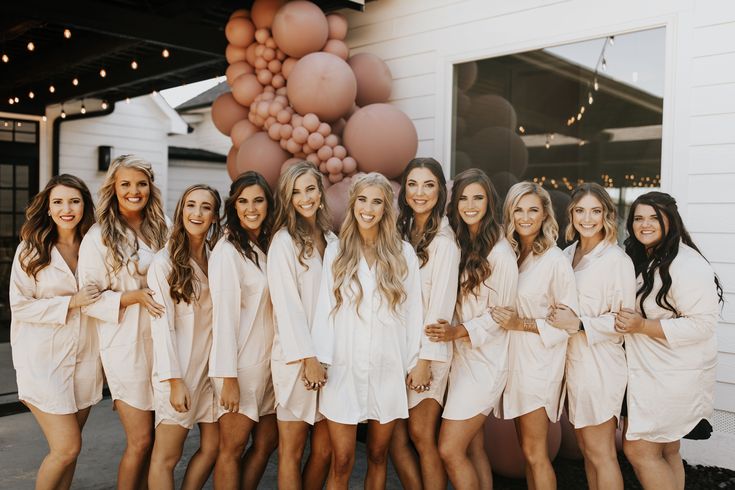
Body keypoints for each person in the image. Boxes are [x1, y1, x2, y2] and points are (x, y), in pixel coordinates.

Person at [313, 172, 423, 490]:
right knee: (342, 459)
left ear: (386, 208)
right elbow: (324, 309)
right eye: (362, 200)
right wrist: (320, 358)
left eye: (377, 201)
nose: (369, 208)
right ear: (353, 204)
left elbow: (414, 313)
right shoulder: (336, 252)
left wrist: (414, 362)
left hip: (387, 368)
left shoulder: (404, 255)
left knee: (378, 455)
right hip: (342, 368)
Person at [617, 191, 723, 490]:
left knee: (639, 449)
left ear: (671, 221)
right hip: (651, 371)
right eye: (638, 218)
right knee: (666, 449)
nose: (644, 224)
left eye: (654, 217)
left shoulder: (687, 264)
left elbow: (703, 325)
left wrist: (642, 326)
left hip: (673, 374)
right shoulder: (646, 257)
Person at [78, 155, 169, 490]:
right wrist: (132, 297)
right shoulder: (98, 237)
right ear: (113, 188)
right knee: (141, 440)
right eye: (126, 184)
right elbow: (87, 302)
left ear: (150, 187)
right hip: (125, 347)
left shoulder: (164, 227)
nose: (134, 191)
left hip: (164, 342)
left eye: (141, 184)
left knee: (160, 444)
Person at [9, 174, 103, 490]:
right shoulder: (31, 250)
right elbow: (20, 306)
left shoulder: (97, 246)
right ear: (47, 209)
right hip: (44, 362)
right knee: (67, 448)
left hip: (87, 359)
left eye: (74, 201)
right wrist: (71, 302)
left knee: (68, 453)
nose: (67, 208)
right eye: (58, 202)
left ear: (84, 206)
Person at [428, 169, 518, 490]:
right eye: (463, 198)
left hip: (486, 362)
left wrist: (456, 332)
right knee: (474, 447)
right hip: (460, 360)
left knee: (449, 449)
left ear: (489, 202)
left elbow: (501, 316)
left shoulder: (502, 253)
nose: (470, 205)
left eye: (477, 197)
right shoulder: (460, 242)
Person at [492, 181, 578, 490]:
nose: (525, 217)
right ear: (509, 213)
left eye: (533, 210)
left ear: (544, 215)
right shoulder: (511, 255)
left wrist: (520, 324)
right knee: (527, 453)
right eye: (518, 209)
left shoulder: (555, 262)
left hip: (539, 368)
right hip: (513, 365)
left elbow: (568, 324)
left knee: (535, 452)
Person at [554, 183, 634, 490]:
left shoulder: (617, 260)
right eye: (580, 211)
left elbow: (623, 320)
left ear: (607, 215)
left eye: (596, 211)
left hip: (601, 366)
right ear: (571, 214)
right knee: (587, 451)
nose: (587, 218)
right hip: (571, 364)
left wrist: (581, 324)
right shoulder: (565, 254)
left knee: (601, 453)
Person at [390, 158, 460, 490]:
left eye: (429, 185)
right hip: (396, 349)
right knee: (394, 439)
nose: (420, 193)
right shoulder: (399, 232)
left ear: (440, 191)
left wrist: (424, 362)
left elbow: (442, 309)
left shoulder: (445, 243)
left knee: (421, 436)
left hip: (427, 355)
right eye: (413, 184)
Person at [147, 184, 222, 490]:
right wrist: (175, 380)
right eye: (191, 205)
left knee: (214, 447)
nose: (197, 213)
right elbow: (162, 327)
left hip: (212, 371)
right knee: (167, 456)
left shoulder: (218, 256)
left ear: (215, 216)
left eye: (206, 207)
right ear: (180, 211)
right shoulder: (163, 263)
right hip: (179, 372)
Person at [267, 162, 336, 490]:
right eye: (296, 191)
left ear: (320, 193)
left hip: (332, 359)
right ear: (287, 198)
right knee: (291, 452)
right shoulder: (283, 242)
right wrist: (308, 359)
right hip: (298, 360)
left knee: (324, 451)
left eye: (310, 189)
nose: (305, 197)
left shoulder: (333, 240)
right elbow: (287, 307)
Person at [209, 171, 277, 490]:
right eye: (243, 202)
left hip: (271, 364)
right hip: (241, 366)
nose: (251, 208)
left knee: (267, 443)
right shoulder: (227, 252)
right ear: (233, 207)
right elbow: (223, 318)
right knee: (231, 450)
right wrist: (228, 377)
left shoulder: (267, 245)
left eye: (258, 200)